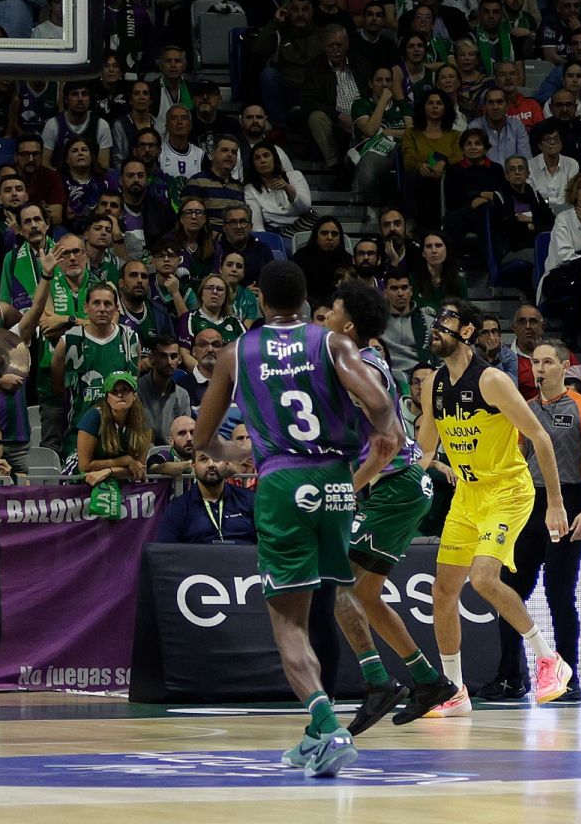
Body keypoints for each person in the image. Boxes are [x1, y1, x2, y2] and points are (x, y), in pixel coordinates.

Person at [192, 261, 402, 778]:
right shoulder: (330, 342)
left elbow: (201, 437)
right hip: (335, 480)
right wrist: (386, 436)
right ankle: (316, 734)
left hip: (284, 482)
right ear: (308, 302)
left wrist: (230, 452)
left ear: (258, 301)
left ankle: (327, 726)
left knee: (289, 620)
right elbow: (378, 402)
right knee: (331, 596)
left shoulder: (236, 352)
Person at [416, 298, 573, 714]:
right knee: (443, 591)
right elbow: (426, 446)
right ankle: (453, 689)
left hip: (507, 490)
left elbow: (539, 437)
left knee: (484, 579)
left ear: (467, 331)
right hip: (467, 496)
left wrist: (554, 503)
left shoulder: (491, 381)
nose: (436, 329)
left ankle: (548, 659)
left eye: (445, 322)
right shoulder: (433, 382)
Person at [321, 281, 454, 733]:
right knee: (366, 596)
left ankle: (377, 680)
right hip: (402, 486)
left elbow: (389, 443)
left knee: (338, 584)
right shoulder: (362, 361)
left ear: (349, 323)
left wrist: (350, 488)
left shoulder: (361, 366)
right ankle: (428, 680)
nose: (326, 315)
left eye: (333, 309)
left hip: (396, 485)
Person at [482, 339, 581, 703]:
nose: (540, 368)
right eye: (536, 362)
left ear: (565, 366)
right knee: (509, 590)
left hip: (568, 501)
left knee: (559, 595)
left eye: (548, 362)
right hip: (527, 504)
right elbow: (516, 455)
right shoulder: (523, 409)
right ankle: (511, 677)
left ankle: (569, 677)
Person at [156, 437, 255, 543]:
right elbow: (167, 553)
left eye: (216, 458)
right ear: (193, 467)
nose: (211, 464)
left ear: (226, 463)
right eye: (203, 459)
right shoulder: (178, 508)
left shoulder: (249, 500)